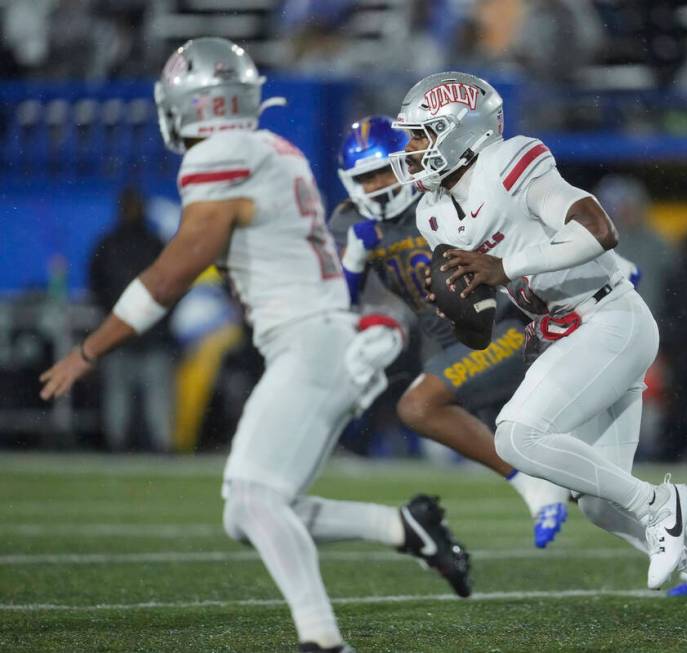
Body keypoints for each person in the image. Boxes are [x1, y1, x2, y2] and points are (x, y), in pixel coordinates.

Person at [39, 38, 471, 653]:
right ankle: (404, 528)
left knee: (253, 498)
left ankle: (322, 640)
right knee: (251, 512)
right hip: (320, 343)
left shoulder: (221, 155)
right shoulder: (273, 148)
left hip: (313, 343)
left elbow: (173, 273)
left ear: (195, 106)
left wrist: (88, 350)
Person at [388, 70, 687, 640]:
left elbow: (599, 229)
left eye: (422, 135)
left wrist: (507, 270)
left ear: (461, 133)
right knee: (599, 504)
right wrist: (462, 311)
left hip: (611, 318)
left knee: (515, 436)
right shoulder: (432, 213)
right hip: (566, 329)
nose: (412, 149)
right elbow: (478, 324)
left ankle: (661, 503)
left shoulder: (509, 161)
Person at [330, 115, 570, 548]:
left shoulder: (442, 198)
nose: (379, 185)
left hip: (505, 330)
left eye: (385, 170)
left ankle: (532, 488)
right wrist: (352, 259)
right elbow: (334, 307)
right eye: (366, 178)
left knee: (419, 406)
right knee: (585, 482)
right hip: (447, 347)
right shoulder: (351, 225)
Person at [88, 186, 175, 452]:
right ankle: (129, 446)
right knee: (126, 398)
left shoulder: (119, 243)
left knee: (140, 398)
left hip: (132, 334)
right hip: (140, 334)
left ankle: (144, 446)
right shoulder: (150, 243)